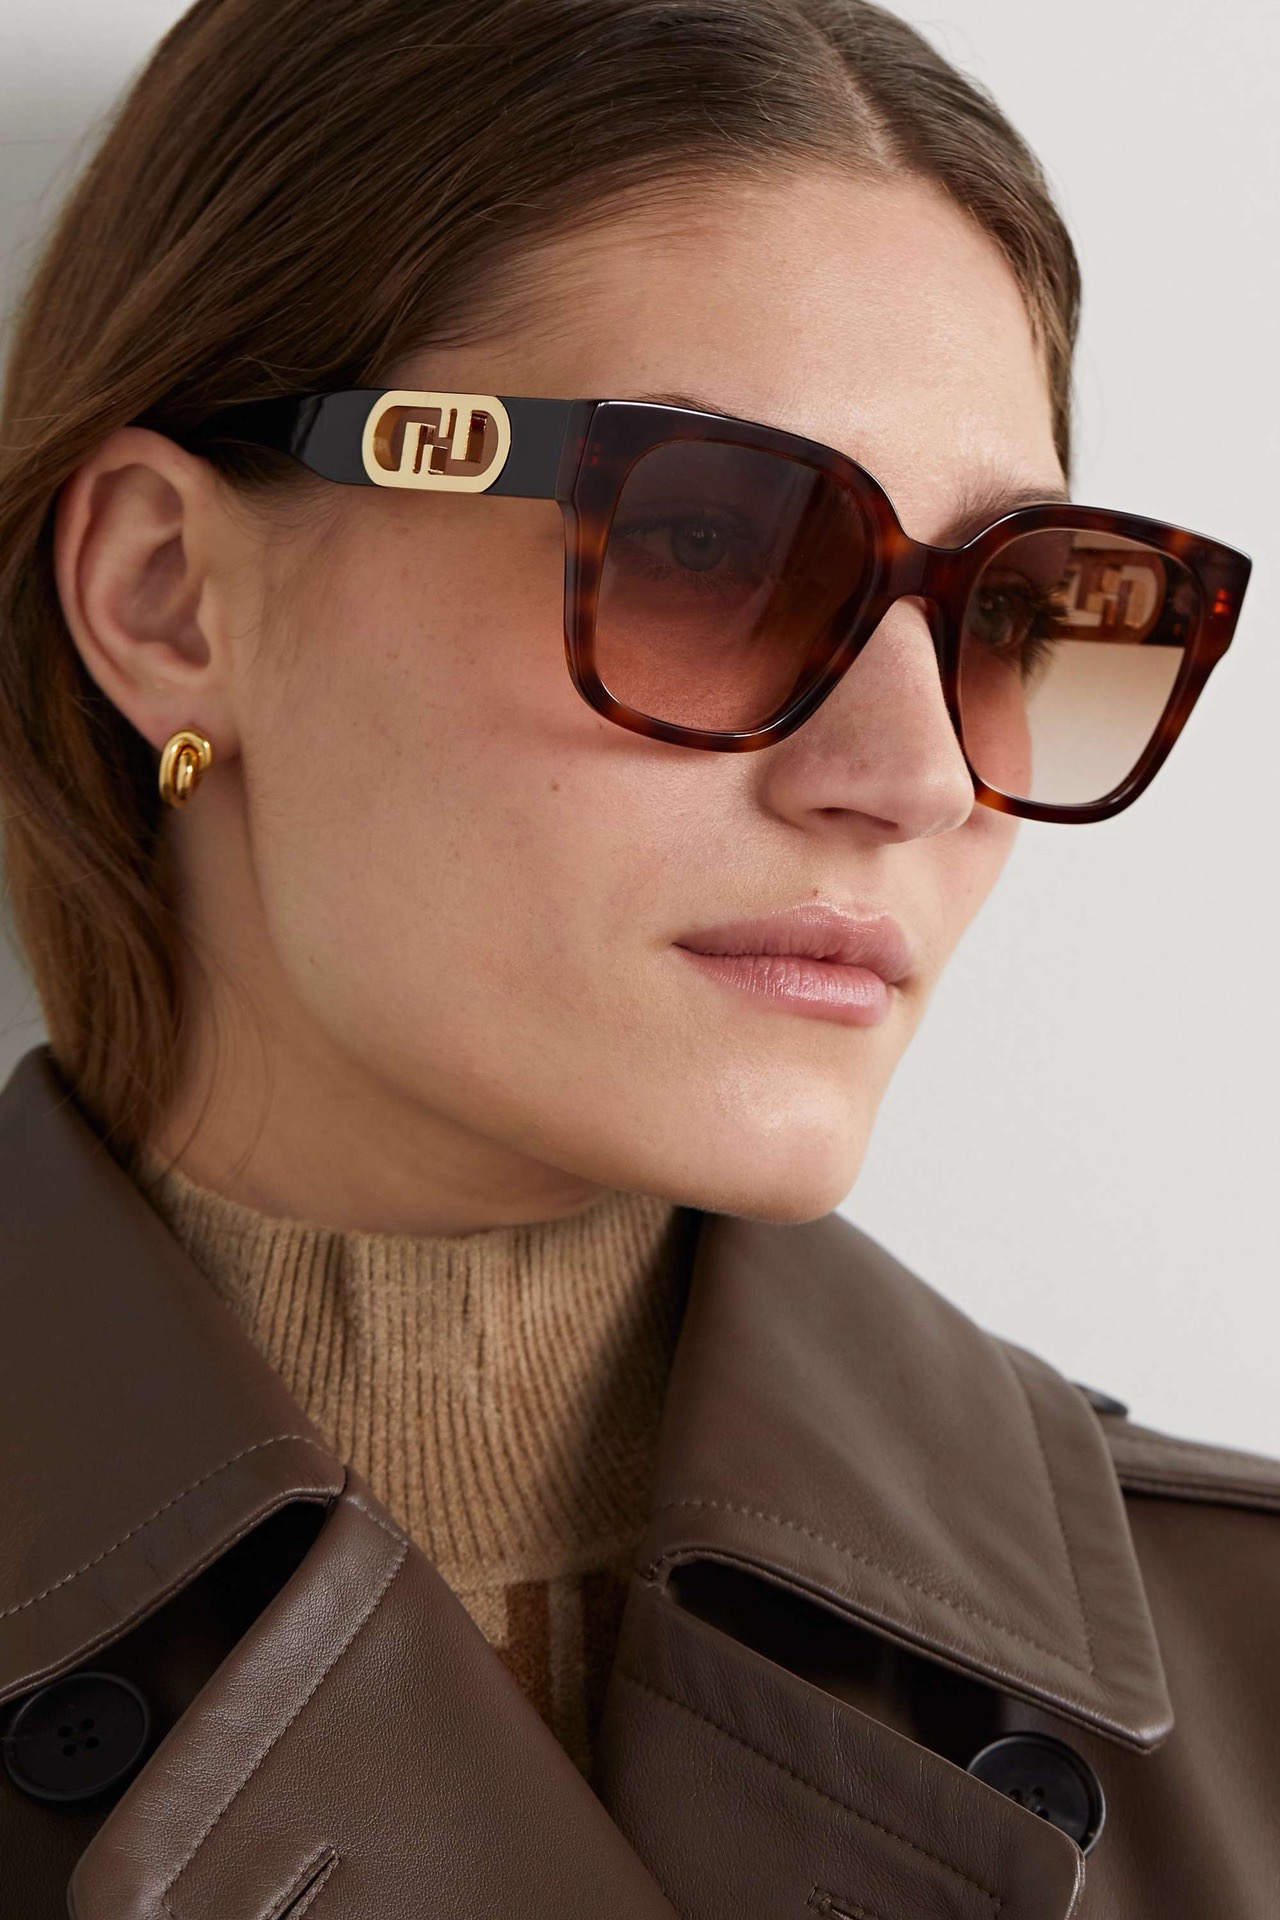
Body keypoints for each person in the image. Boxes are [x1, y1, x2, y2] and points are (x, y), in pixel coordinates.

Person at [0, 1, 1272, 1915]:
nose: (916, 778)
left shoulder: (1254, 1675)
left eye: (1014, 613)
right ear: (167, 597)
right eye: (706, 545)